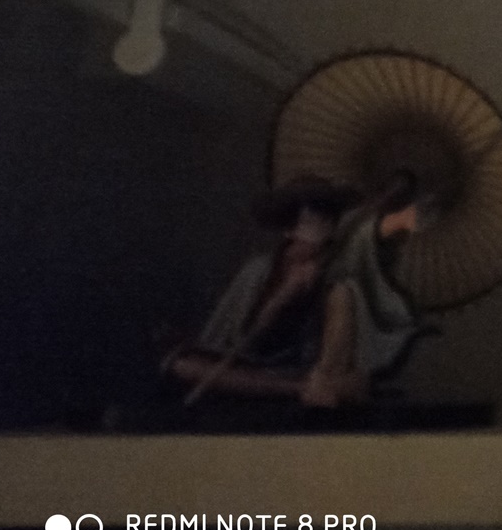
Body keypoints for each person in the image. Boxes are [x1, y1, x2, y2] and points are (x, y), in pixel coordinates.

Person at [163, 174, 422, 408]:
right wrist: (284, 294)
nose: (321, 230)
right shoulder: (259, 270)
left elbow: (341, 341)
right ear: (289, 228)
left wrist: (325, 371)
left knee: (345, 296)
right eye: (311, 221)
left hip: (306, 365)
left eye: (327, 220)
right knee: (182, 365)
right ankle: (297, 390)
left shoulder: (336, 275)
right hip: (256, 362)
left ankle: (315, 385)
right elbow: (242, 335)